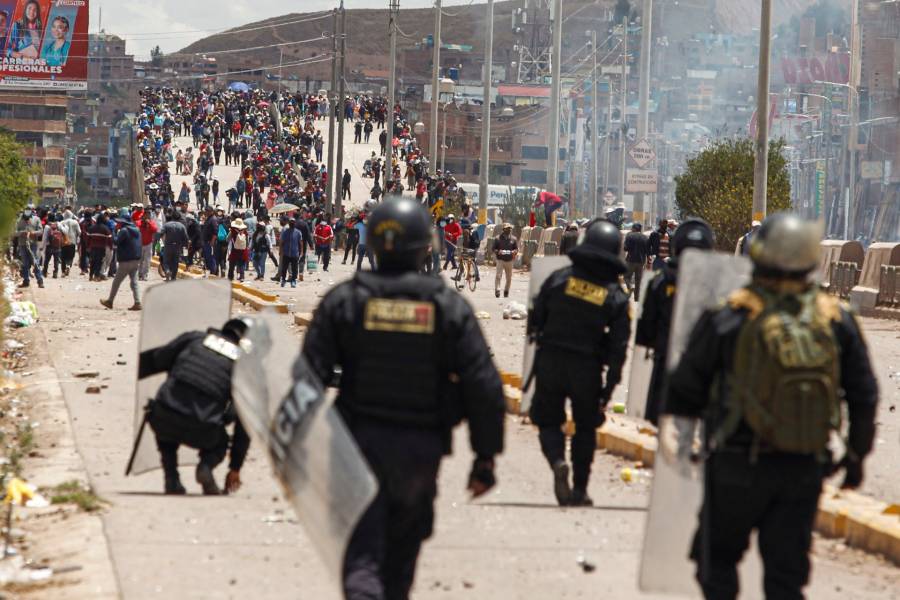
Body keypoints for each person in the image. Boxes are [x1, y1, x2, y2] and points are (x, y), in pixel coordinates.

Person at [664, 213, 878, 600]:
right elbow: (864, 394)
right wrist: (856, 456)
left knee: (718, 563)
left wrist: (686, 441)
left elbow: (683, 389)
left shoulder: (730, 314)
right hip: (803, 466)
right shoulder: (836, 319)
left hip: (735, 462)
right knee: (786, 577)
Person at [300, 198, 504, 599]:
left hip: (354, 446)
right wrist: (485, 457)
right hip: (419, 451)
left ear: (372, 243)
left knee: (362, 555)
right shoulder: (446, 307)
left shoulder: (345, 301)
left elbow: (307, 379)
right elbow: (483, 384)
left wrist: (299, 448)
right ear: (425, 246)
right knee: (401, 559)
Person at [526, 220, 631, 506]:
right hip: (587, 368)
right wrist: (609, 389)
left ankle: (558, 461)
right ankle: (580, 490)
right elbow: (620, 348)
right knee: (585, 428)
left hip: (551, 360)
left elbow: (535, 319)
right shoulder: (615, 296)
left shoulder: (559, 279)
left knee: (547, 420)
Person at [137, 319, 252, 495]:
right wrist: (235, 467)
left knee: (165, 414)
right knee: (221, 441)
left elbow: (157, 359)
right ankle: (205, 467)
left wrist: (134, 373)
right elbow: (242, 421)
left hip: (164, 420)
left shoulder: (194, 339)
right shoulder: (242, 367)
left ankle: (171, 478)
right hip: (203, 430)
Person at [636, 218, 715, 424]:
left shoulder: (660, 282)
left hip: (665, 362)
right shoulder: (714, 286)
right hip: (702, 369)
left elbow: (645, 331)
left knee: (656, 425)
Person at [101, 210, 142, 311]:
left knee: (116, 282)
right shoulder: (137, 229)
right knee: (134, 282)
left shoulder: (124, 231)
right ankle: (137, 302)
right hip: (136, 259)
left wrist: (114, 232)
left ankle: (110, 301)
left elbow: (116, 242)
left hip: (126, 260)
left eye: (119, 222)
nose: (118, 223)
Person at [15, 209, 44, 288]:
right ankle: (26, 280)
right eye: (25, 219)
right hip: (22, 244)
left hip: (33, 244)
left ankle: (40, 281)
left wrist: (33, 233)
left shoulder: (36, 219)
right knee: (24, 263)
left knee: (35, 262)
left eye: (28, 219)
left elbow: (41, 230)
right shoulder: (19, 220)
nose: (27, 220)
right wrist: (21, 233)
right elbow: (14, 232)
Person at [623, 222, 650, 301]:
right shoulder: (645, 237)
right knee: (638, 280)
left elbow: (625, 248)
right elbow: (648, 251)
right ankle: (636, 298)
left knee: (626, 277)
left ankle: (630, 287)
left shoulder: (629, 236)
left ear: (634, 228)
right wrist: (648, 261)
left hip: (630, 260)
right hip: (641, 262)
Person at [161, 210, 188, 281]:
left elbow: (160, 233)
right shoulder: (182, 226)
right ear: (179, 218)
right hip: (177, 247)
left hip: (168, 245)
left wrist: (159, 240)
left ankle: (167, 271)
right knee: (175, 263)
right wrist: (185, 247)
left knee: (166, 261)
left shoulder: (167, 225)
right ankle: (173, 278)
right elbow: (186, 238)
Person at [493, 223, 518, 298]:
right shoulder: (497, 238)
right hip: (500, 260)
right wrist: (498, 252)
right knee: (498, 276)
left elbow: (516, 249)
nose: (509, 230)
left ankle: (506, 291)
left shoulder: (514, 239)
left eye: (510, 228)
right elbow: (493, 249)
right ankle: (497, 290)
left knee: (509, 278)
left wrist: (514, 252)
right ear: (503, 230)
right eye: (507, 228)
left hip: (509, 260)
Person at [279, 218, 303, 288]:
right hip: (286, 253)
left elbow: (300, 243)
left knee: (294, 268)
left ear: (295, 223)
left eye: (293, 222)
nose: (292, 223)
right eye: (290, 222)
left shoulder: (298, 232)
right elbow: (281, 242)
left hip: (294, 253)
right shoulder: (285, 232)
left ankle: (293, 280)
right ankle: (283, 279)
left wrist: (301, 252)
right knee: (284, 267)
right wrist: (280, 251)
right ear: (289, 223)